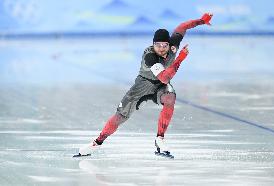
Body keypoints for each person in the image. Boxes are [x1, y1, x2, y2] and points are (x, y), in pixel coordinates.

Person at [76, 13, 213, 157]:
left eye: (164, 45)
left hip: (159, 86)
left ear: (169, 44)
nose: (160, 48)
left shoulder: (174, 45)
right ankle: (97, 143)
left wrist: (201, 21)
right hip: (143, 84)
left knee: (170, 98)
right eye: (157, 45)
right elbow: (165, 78)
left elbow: (183, 26)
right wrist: (180, 59)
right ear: (153, 44)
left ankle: (160, 139)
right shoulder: (150, 56)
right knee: (119, 117)